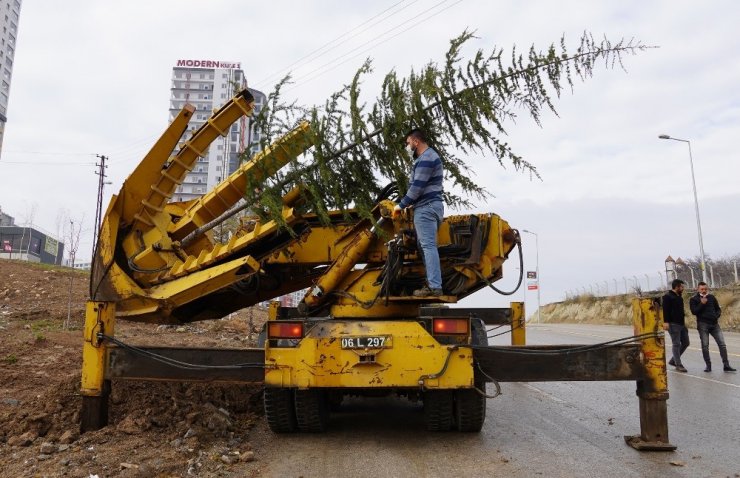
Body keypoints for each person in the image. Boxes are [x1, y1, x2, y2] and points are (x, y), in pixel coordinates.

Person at [393, 129, 445, 297]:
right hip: (430, 207)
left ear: (416, 141)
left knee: (428, 246)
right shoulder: (428, 157)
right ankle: (431, 283)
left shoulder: (426, 158)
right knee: (425, 247)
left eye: (408, 143)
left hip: (426, 208)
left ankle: (435, 287)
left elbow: (417, 188)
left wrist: (400, 206)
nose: (407, 146)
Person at [689, 282, 736, 372]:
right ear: (698, 289)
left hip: (714, 324)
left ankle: (726, 365)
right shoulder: (694, 299)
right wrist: (702, 304)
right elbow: (694, 312)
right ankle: (708, 366)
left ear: (707, 289)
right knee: (705, 346)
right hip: (703, 325)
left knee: (722, 344)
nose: (704, 291)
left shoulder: (712, 297)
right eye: (702, 289)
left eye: (705, 289)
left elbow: (718, 309)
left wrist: (716, 315)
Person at [662, 279, 689, 372]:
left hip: (681, 324)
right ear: (677, 287)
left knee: (686, 342)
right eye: (681, 286)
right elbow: (665, 310)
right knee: (676, 344)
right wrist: (666, 322)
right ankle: (678, 364)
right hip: (673, 324)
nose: (683, 288)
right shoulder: (667, 296)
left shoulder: (679, 297)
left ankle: (673, 360)